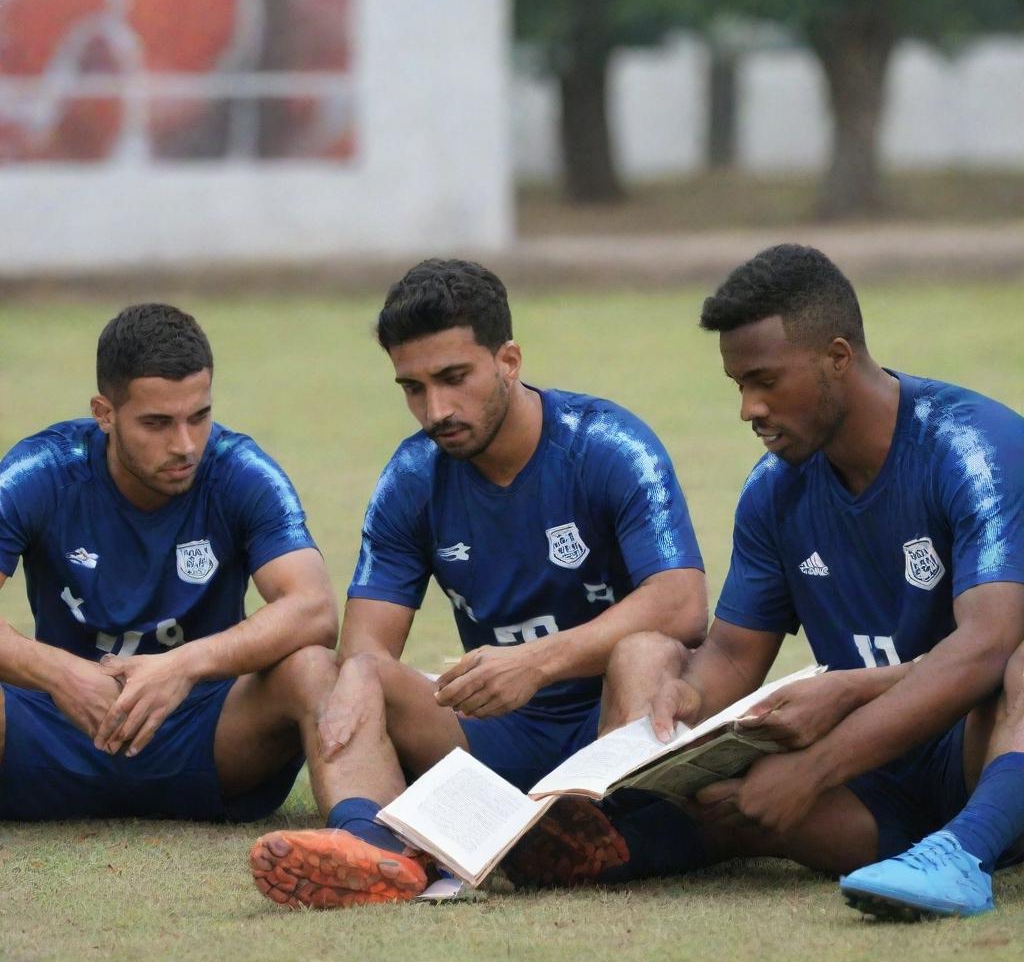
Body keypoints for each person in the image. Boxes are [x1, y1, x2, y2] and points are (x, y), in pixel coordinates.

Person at [503, 244, 1024, 919]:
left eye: (765, 380)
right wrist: (682, 700)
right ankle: (596, 843)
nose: (749, 407)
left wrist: (817, 765)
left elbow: (987, 646)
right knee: (671, 704)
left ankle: (965, 853)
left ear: (838, 357)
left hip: (977, 753)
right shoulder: (774, 492)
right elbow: (731, 655)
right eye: (738, 386)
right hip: (871, 787)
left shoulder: (973, 447)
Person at [250, 257, 708, 908]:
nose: (435, 409)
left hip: (610, 722)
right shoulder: (412, 479)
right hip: (496, 732)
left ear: (509, 361)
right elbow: (367, 647)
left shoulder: (607, 446)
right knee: (348, 673)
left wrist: (535, 663)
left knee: (650, 649)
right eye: (413, 388)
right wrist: (362, 672)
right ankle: (374, 852)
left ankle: (611, 833)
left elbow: (683, 604)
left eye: (454, 378)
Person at [0, 304, 358, 855]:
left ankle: (362, 841)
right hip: (58, 728)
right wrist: (59, 673)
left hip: (205, 734)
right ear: (104, 412)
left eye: (199, 416)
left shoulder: (240, 471)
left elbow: (314, 608)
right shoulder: (41, 472)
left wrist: (183, 667)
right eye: (157, 423)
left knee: (314, 667)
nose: (186, 444)